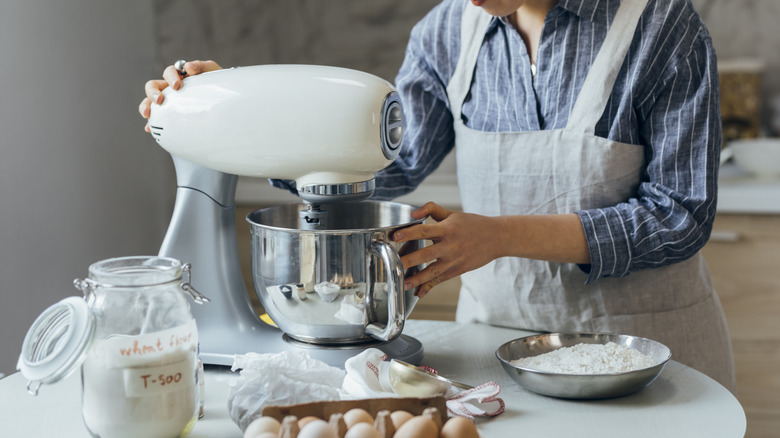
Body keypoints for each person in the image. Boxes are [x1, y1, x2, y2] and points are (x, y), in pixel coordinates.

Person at [139, 0, 736, 392]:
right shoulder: (448, 31)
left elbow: (678, 217)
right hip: (496, 354)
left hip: (645, 355)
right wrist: (226, 110)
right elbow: (382, 171)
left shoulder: (662, 28)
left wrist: (498, 236)